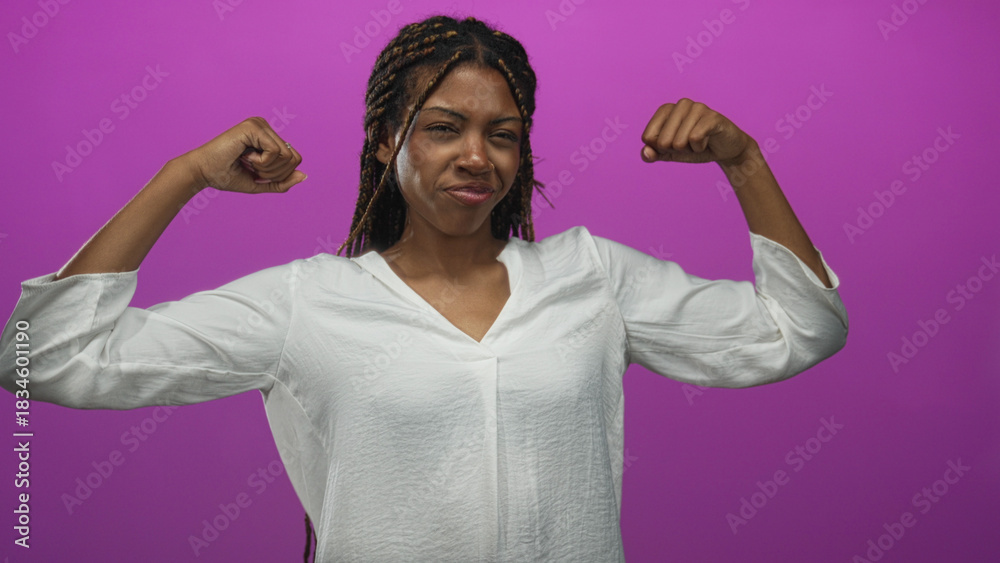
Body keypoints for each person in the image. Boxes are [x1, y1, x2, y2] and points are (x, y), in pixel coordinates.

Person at [0, 15, 847, 562]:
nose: (477, 156)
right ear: (384, 141)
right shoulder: (307, 302)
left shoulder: (591, 277)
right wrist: (183, 174)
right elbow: (44, 356)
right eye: (443, 128)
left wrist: (744, 161)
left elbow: (800, 326)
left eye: (501, 134)